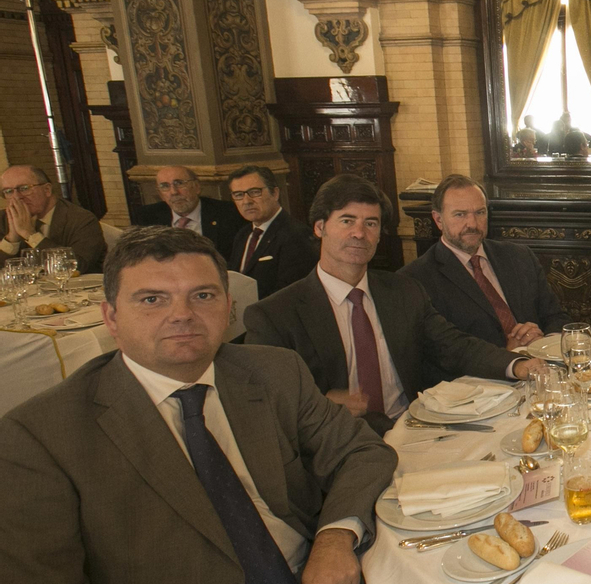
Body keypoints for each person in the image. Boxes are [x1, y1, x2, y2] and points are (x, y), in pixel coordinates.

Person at [0, 226, 396, 584]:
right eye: (153, 299)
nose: (182, 314)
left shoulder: (270, 372)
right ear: (110, 317)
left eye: (202, 296)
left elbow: (361, 451)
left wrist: (335, 538)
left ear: (229, 308)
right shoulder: (41, 438)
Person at [244, 174, 542, 434]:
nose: (359, 233)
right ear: (320, 227)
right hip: (336, 443)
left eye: (370, 223)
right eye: (347, 221)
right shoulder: (275, 316)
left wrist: (518, 365)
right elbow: (263, 403)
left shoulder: (402, 291)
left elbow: (454, 345)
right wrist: (321, 402)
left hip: (418, 430)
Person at [398, 174, 570, 355]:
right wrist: (507, 356)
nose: (472, 224)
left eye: (480, 213)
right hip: (478, 380)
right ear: (438, 220)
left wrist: (545, 345)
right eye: (460, 214)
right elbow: (440, 354)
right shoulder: (416, 279)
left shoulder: (519, 256)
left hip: (541, 369)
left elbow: (556, 317)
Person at [227, 165, 319, 299]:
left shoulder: (296, 235)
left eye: (254, 192)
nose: (246, 201)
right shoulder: (243, 234)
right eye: (239, 195)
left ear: (275, 193)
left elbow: (293, 292)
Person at [0, 164, 107, 272]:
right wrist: (12, 239)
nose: (17, 197)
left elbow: (79, 266)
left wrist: (30, 235)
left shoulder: (81, 219)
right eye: (8, 191)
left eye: (24, 188)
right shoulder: (2, 219)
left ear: (47, 190)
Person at [132, 165, 247, 256]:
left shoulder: (228, 213)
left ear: (197, 187)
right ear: (160, 195)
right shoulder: (146, 217)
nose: (174, 192)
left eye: (179, 183)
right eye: (165, 186)